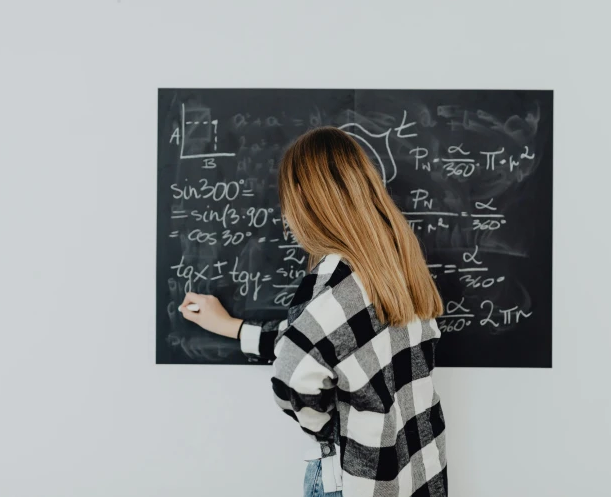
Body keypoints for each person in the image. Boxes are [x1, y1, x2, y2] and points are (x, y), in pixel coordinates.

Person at [179, 126, 448, 497]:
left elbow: (292, 375)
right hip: (416, 472)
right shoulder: (396, 265)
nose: (286, 217)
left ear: (309, 204)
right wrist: (234, 328)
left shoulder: (336, 277)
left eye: (287, 201)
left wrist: (327, 430)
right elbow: (331, 341)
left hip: (357, 481)